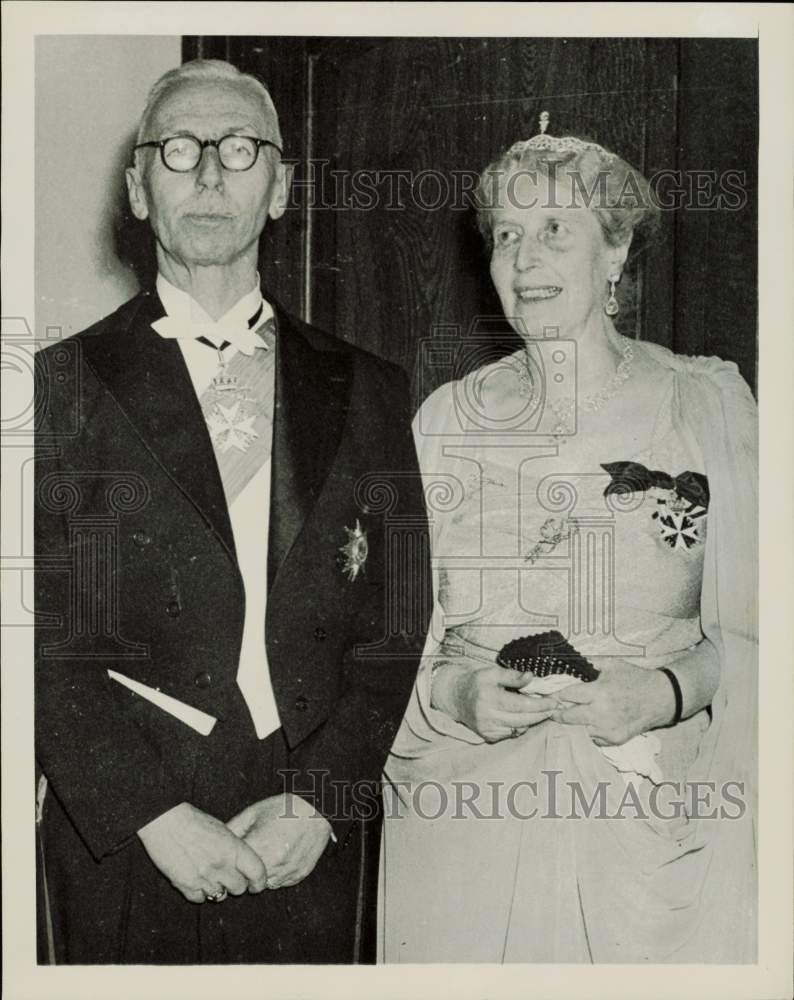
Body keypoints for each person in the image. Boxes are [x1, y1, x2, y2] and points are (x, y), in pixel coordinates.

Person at [34, 58, 430, 965]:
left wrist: (323, 797)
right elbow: (33, 631)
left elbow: (399, 615)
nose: (210, 173)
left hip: (305, 821)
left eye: (241, 148)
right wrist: (147, 812)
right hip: (128, 823)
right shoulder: (52, 390)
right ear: (138, 189)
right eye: (179, 149)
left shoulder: (369, 388)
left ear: (282, 186)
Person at [379, 116, 757, 963]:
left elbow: (767, 638)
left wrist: (659, 693)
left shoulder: (710, 407)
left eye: (556, 229)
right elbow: (384, 641)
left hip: (654, 830)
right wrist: (455, 697)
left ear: (615, 252)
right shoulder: (442, 422)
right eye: (507, 235)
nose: (525, 258)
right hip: (464, 821)